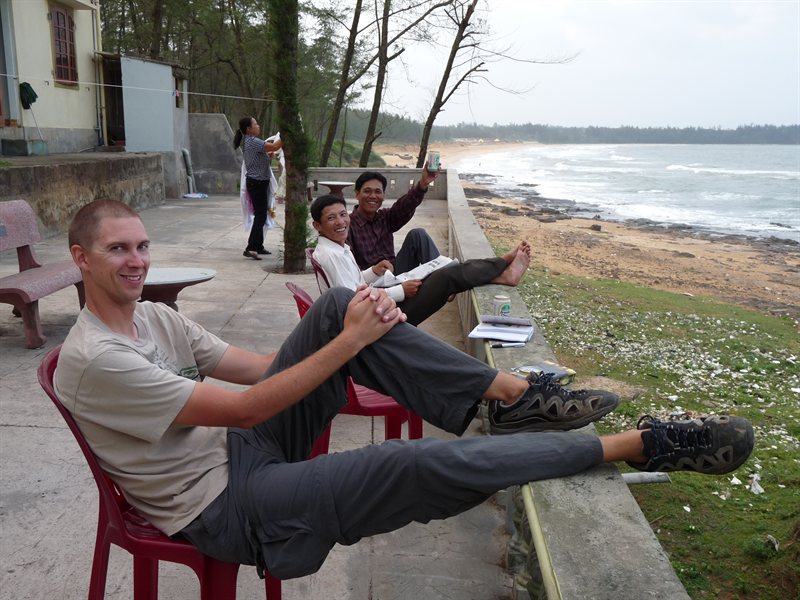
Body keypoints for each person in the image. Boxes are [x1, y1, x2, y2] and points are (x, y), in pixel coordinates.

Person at [55, 199, 755, 582]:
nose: (137, 260)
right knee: (405, 464)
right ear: (81, 259)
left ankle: (505, 397)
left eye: (141, 246)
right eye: (118, 249)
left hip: (243, 449)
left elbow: (263, 369)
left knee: (335, 311)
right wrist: (351, 346)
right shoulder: (95, 359)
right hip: (222, 506)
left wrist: (350, 331)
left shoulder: (154, 315)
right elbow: (249, 404)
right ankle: (638, 445)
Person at [311, 194, 531, 326]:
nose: (341, 222)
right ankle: (502, 266)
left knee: (440, 270)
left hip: (375, 307)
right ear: (317, 226)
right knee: (447, 275)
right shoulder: (330, 255)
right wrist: (400, 292)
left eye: (343, 214)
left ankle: (500, 271)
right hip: (372, 320)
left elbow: (354, 283)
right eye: (331, 218)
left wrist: (374, 271)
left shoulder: (336, 248)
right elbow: (353, 300)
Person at [347, 167, 441, 272]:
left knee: (418, 234)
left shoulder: (385, 218)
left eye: (378, 192)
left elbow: (405, 206)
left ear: (384, 196)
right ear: (357, 194)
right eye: (367, 191)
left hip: (395, 273)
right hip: (370, 281)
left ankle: (443, 274)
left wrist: (423, 184)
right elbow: (349, 267)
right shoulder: (348, 225)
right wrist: (373, 272)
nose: (373, 196)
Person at [233, 116, 283, 260]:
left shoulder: (252, 142)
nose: (258, 125)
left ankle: (258, 245)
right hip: (257, 183)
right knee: (260, 215)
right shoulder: (253, 141)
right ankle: (251, 247)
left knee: (262, 215)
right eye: (255, 124)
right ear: (249, 129)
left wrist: (269, 156)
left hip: (260, 183)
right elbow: (275, 146)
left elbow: (266, 155)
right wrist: (285, 135)